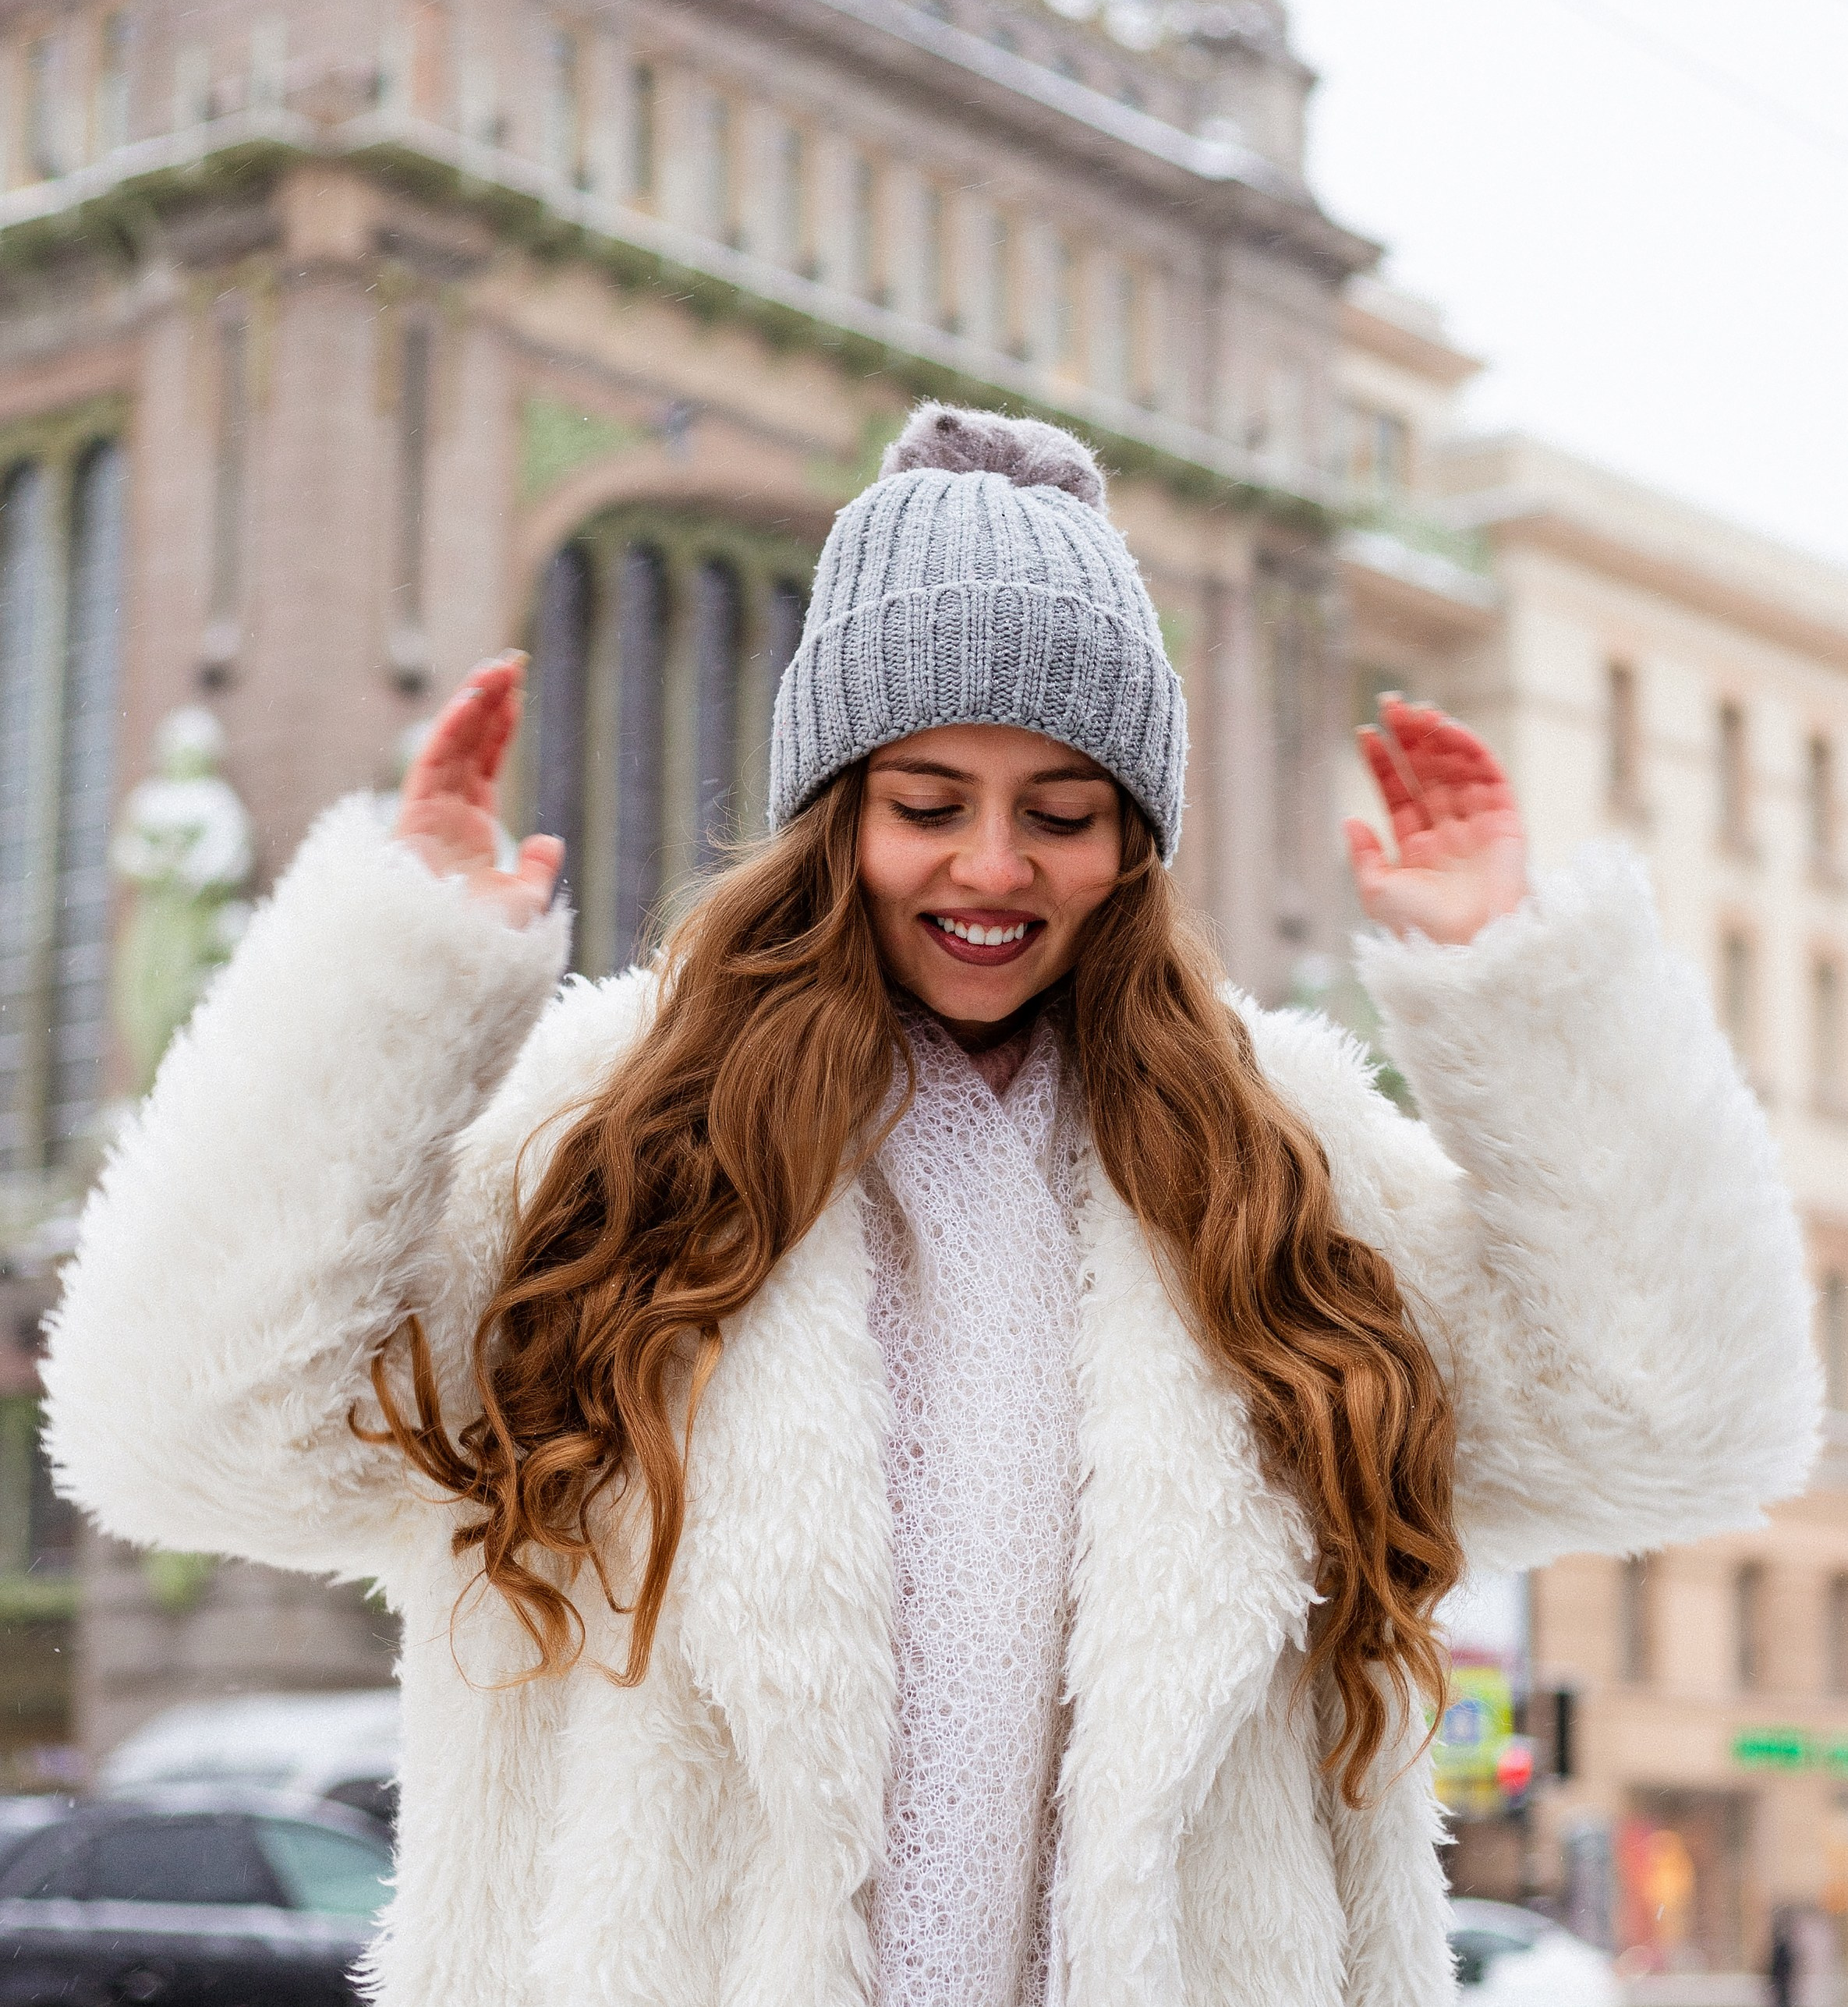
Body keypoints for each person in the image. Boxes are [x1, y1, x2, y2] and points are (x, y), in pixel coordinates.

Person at [45, 405, 1815, 2007]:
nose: (993, 864)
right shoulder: (608, 1138)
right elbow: (182, 1432)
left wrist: (1516, 987)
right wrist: (391, 993)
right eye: (927, 801)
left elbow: (1682, 1421)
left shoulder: (1284, 1160)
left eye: (1062, 808)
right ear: (832, 813)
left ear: (1135, 840)